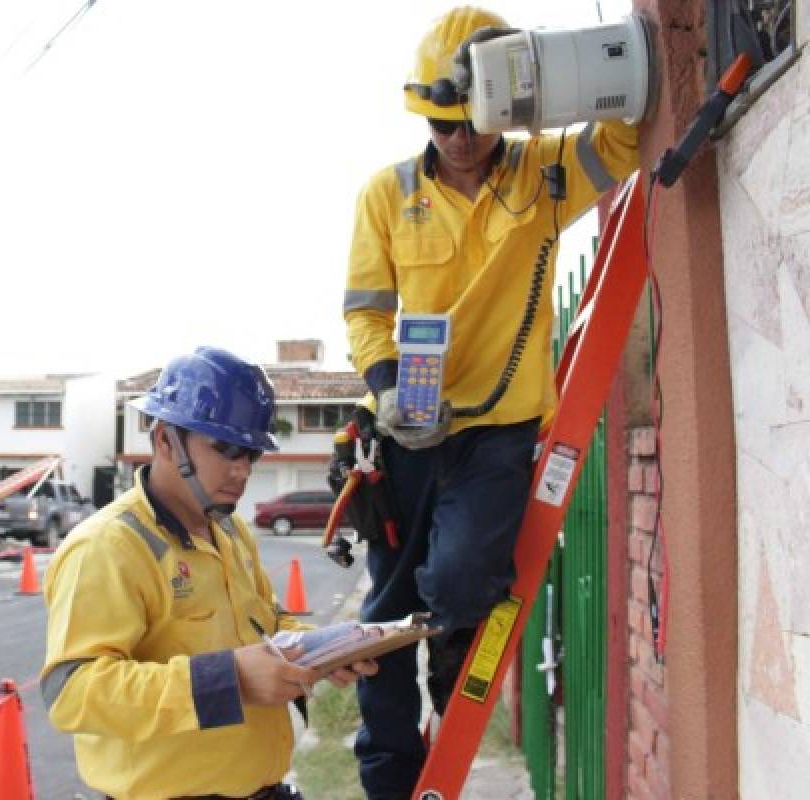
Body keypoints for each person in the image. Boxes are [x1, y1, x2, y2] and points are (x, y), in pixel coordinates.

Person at [342, 6, 640, 796]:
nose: (457, 139)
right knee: (387, 615)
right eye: (441, 124)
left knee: (461, 580)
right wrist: (383, 388)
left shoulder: (544, 172)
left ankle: (453, 719)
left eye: (471, 119)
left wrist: (547, 86)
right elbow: (367, 313)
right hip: (407, 433)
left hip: (497, 436)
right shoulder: (387, 194)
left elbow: (629, 139)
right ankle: (391, 778)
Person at [41, 347, 378, 800]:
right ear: (165, 441)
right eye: (224, 449)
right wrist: (230, 679)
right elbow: (73, 694)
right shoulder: (108, 547)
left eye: (250, 454)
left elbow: (266, 625)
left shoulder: (230, 530)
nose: (241, 470)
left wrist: (326, 648)